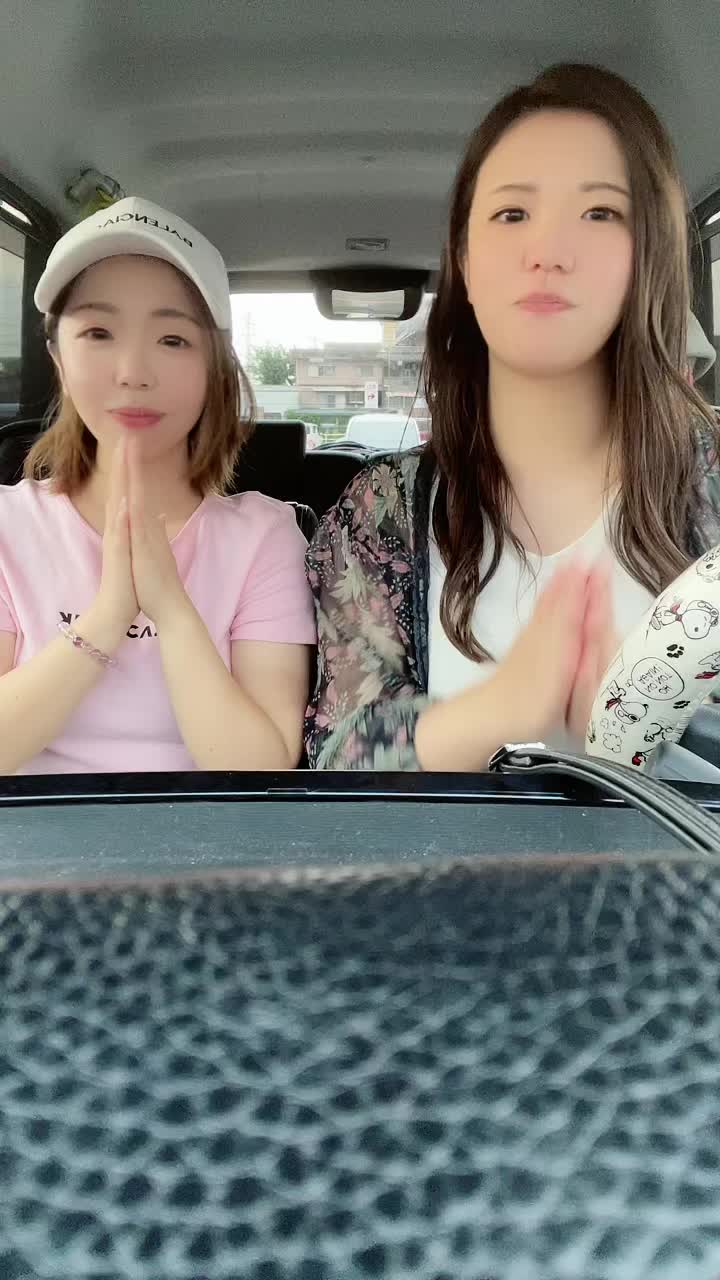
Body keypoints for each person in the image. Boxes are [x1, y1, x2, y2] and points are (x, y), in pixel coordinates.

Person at [305, 63, 720, 771]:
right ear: (465, 261)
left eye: (600, 212)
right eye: (512, 214)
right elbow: (336, 757)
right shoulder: (381, 511)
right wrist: (504, 706)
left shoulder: (707, 483)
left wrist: (635, 726)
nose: (548, 252)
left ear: (648, 255)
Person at [0, 197, 316, 774]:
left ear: (214, 367)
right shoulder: (8, 526)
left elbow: (261, 768)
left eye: (173, 340)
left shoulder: (266, 536)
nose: (133, 372)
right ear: (58, 358)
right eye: (98, 332)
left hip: (204, 829)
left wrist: (169, 605)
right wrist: (109, 615)